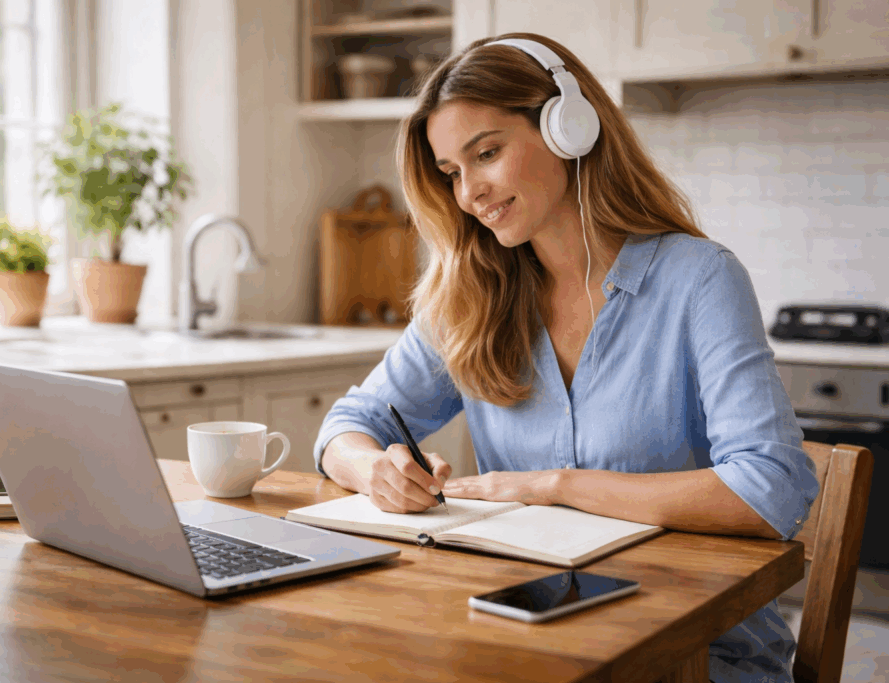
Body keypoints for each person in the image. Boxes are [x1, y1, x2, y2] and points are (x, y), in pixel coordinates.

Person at [312, 32, 819, 683]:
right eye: (452, 173)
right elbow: (345, 426)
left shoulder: (698, 279)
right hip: (527, 636)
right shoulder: (468, 296)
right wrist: (374, 467)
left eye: (487, 153)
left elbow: (772, 487)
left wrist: (550, 486)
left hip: (696, 653)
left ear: (568, 126)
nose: (470, 193)